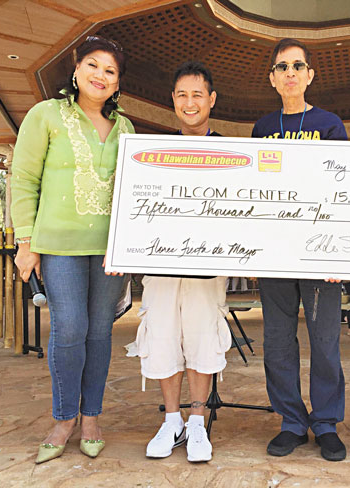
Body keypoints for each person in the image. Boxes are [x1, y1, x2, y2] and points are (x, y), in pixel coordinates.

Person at [11, 35, 134, 464]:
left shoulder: (126, 129)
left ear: (118, 83)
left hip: (108, 252)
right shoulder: (45, 115)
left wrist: (127, 247)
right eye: (94, 65)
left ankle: (92, 418)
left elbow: (133, 194)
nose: (101, 75)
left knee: (101, 331)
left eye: (111, 70)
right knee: (70, 329)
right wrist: (26, 243)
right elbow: (24, 179)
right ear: (76, 69)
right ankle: (63, 418)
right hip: (58, 246)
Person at [125, 61, 230, 463]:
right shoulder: (152, 153)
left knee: (203, 336)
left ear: (211, 99)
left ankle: (198, 422)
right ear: (173, 100)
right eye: (182, 95)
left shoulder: (230, 151)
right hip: (161, 265)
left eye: (197, 95)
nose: (190, 103)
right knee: (163, 335)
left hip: (208, 269)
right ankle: (172, 420)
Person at [251, 38, 348, 462]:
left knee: (325, 338)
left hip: (319, 250)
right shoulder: (262, 127)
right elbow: (251, 193)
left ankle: (325, 422)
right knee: (277, 340)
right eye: (281, 67)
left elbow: (343, 191)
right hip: (274, 252)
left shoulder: (329, 124)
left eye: (297, 65)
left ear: (309, 75)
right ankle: (291, 420)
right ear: (272, 79)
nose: (290, 72)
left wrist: (339, 252)